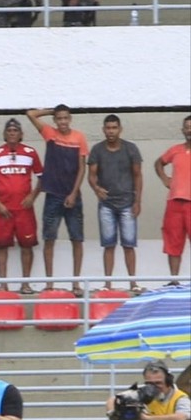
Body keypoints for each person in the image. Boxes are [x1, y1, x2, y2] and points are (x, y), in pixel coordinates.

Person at [26, 105, 89, 296]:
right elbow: (30, 114)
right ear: (55, 120)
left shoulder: (79, 137)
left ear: (70, 119)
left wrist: (73, 192)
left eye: (65, 118)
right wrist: (52, 110)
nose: (62, 122)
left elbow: (82, 168)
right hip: (53, 194)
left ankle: (76, 283)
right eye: (59, 118)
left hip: (73, 196)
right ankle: (49, 283)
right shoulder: (49, 134)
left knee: (77, 239)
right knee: (49, 239)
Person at [0, 118, 44, 294]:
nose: (12, 133)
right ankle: (3, 284)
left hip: (24, 209)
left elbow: (42, 178)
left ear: (21, 134)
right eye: (9, 130)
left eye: (15, 130)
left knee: (27, 245)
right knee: (1, 245)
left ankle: (25, 283)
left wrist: (32, 196)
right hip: (2, 209)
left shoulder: (30, 152)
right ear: (4, 134)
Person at [87, 115, 144, 293]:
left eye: (114, 128)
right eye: (108, 128)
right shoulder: (97, 150)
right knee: (108, 245)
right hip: (107, 205)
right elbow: (91, 174)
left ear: (120, 129)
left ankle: (133, 283)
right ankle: (108, 284)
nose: (111, 131)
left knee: (129, 245)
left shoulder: (131, 149)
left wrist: (137, 201)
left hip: (127, 203)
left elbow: (137, 175)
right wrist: (96, 189)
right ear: (103, 130)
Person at [106, 361, 191, 420]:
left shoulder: (180, 398)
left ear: (168, 381)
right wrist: (113, 413)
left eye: (158, 383)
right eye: (149, 383)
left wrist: (146, 418)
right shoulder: (142, 393)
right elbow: (113, 399)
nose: (154, 387)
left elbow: (181, 418)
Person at [153, 115, 191, 283]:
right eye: (187, 127)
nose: (190, 130)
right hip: (174, 203)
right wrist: (165, 179)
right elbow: (158, 163)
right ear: (183, 130)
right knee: (173, 243)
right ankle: (174, 280)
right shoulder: (175, 149)